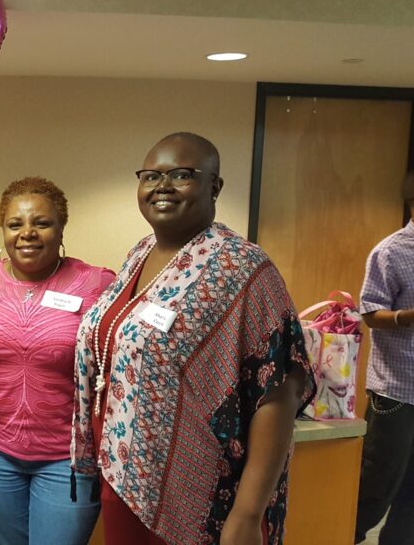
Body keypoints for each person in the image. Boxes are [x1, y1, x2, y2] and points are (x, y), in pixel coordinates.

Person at [71, 132, 315, 545]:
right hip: (126, 479)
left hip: (202, 491)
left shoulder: (243, 268)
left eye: (182, 175)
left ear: (214, 186)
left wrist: (248, 513)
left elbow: (280, 390)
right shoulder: (139, 254)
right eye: (151, 176)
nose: (162, 186)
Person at [0, 177, 113, 545]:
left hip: (68, 456)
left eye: (41, 223)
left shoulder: (97, 284)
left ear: (61, 228)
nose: (27, 233)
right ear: (3, 229)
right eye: (15, 224)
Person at [353, 172, 414, 545]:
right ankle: (342, 536)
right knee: (375, 489)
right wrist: (408, 317)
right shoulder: (391, 251)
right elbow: (370, 312)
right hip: (396, 391)